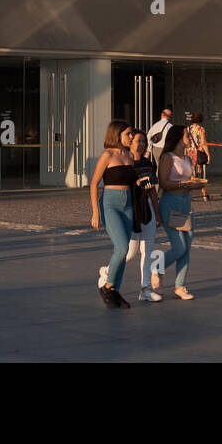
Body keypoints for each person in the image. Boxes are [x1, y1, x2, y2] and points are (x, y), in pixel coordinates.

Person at [99, 129, 162, 303]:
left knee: (148, 250)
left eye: (143, 141)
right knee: (130, 251)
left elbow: (153, 192)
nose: (141, 144)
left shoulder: (148, 164)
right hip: (131, 207)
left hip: (146, 207)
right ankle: (107, 272)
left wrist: (157, 214)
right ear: (130, 142)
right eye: (137, 141)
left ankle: (145, 289)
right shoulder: (125, 161)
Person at [89, 120, 135, 309]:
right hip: (110, 204)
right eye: (128, 134)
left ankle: (115, 290)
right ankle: (107, 286)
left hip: (128, 204)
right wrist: (95, 212)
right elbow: (93, 184)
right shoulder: (107, 155)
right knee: (122, 248)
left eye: (131, 134)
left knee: (123, 254)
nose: (131, 137)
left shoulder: (129, 155)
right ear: (117, 135)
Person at [157, 124, 198, 300]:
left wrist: (195, 183)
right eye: (187, 135)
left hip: (186, 203)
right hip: (170, 203)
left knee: (187, 247)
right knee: (179, 247)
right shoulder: (168, 158)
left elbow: (188, 179)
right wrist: (183, 184)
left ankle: (180, 286)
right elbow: (164, 183)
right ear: (178, 138)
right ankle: (156, 268)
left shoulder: (187, 158)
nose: (190, 138)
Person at [187, 111, 211, 202]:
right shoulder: (200, 129)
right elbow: (204, 143)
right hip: (198, 154)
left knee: (191, 175)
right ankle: (204, 195)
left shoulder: (188, 129)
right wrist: (208, 154)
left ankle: (188, 195)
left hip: (189, 154)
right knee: (198, 176)